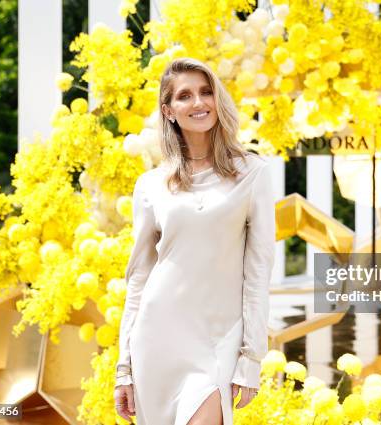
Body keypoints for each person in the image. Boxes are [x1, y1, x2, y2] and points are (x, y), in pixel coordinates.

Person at [113, 57, 276, 425]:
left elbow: (259, 272)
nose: (199, 103)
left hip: (218, 340)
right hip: (157, 338)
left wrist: (251, 358)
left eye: (206, 92)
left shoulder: (251, 174)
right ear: (168, 111)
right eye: (185, 96)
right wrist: (124, 368)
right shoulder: (151, 185)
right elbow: (138, 279)